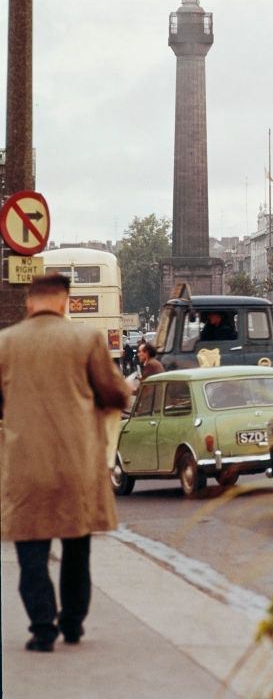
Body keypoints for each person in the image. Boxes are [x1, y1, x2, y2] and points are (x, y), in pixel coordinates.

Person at [0, 273, 131, 652]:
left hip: (26, 465)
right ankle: (72, 623)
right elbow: (114, 392)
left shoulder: (5, 344)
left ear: (29, 302)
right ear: (64, 301)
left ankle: (42, 629)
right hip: (77, 462)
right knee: (77, 547)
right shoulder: (85, 338)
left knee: (31, 550)